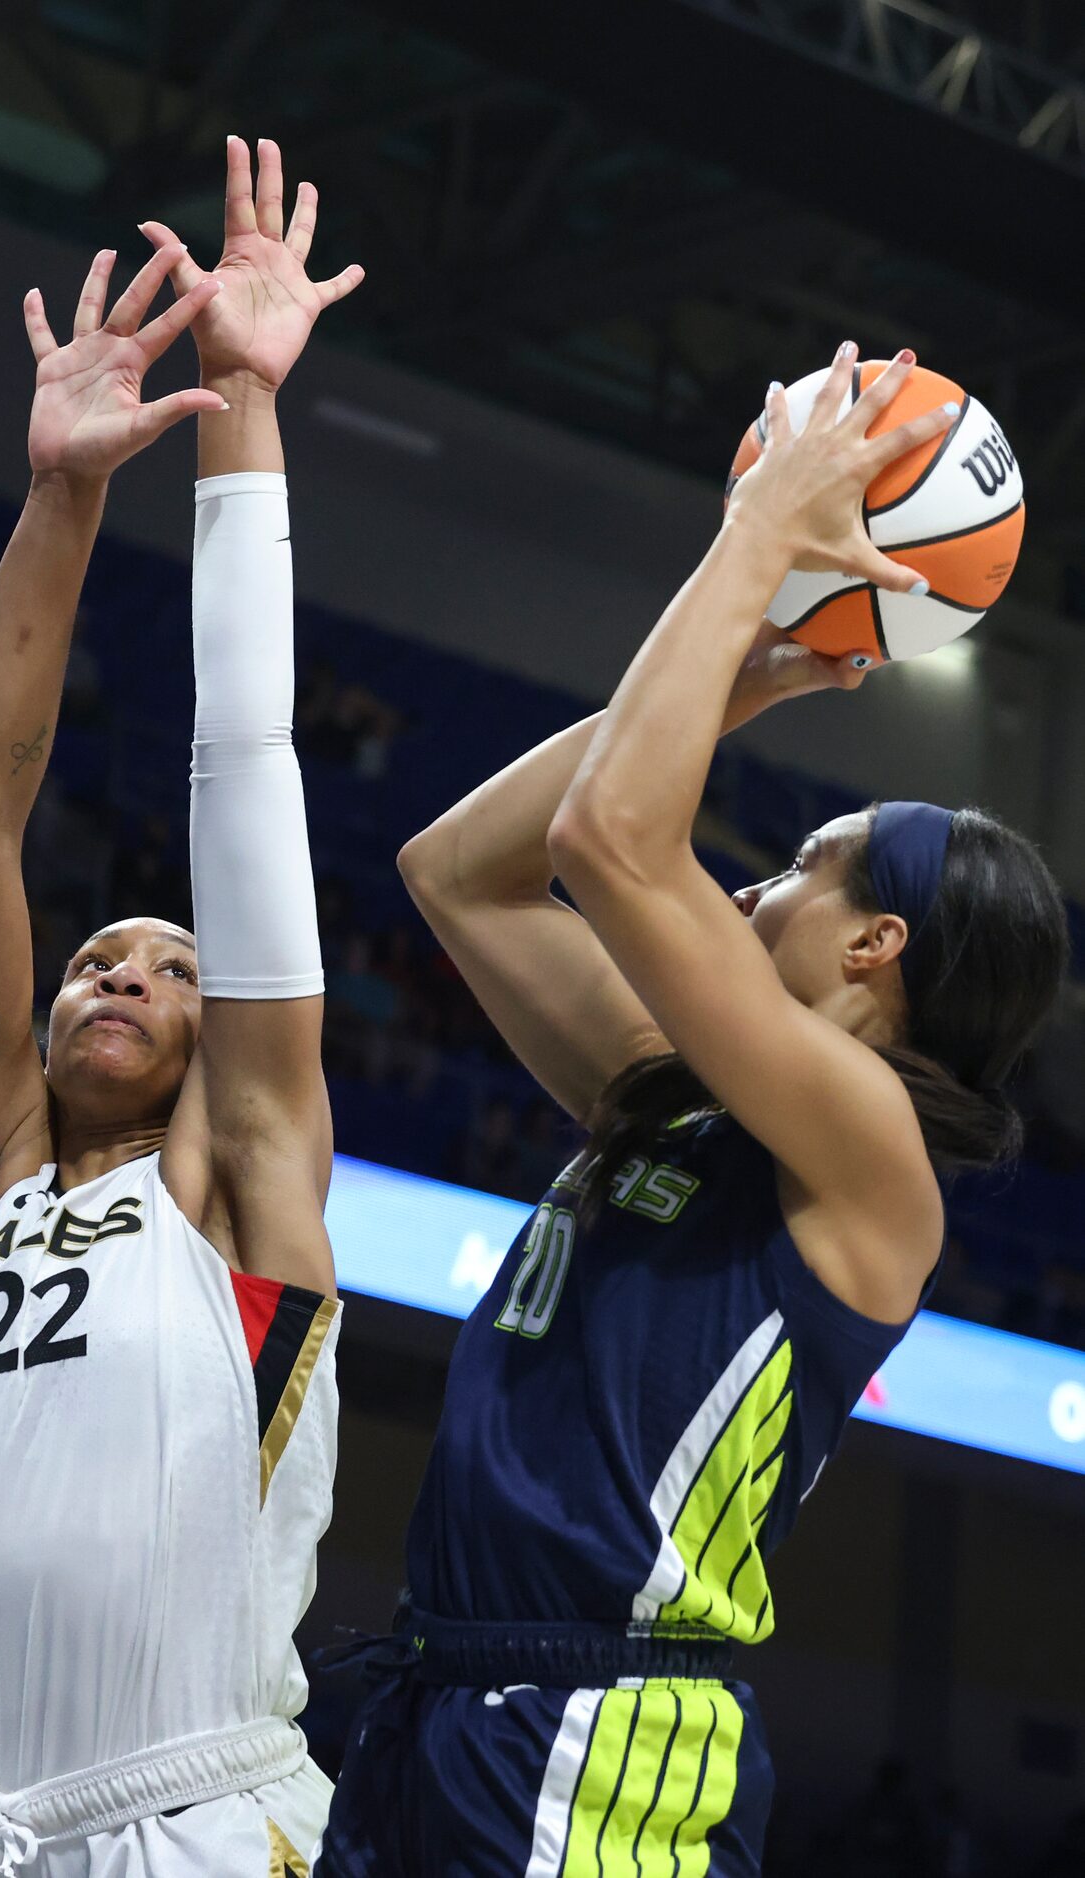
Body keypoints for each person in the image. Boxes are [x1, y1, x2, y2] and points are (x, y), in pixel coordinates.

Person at [313, 346, 1069, 1875]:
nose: (755, 878)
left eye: (804, 864)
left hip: (600, 1743)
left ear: (879, 948)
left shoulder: (876, 1159)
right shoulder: (676, 1099)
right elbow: (458, 871)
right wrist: (746, 671)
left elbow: (612, 838)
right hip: (453, 1703)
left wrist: (758, 542)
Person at [0, 138, 362, 1874]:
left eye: (181, 970)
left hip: (203, 1824)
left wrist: (238, 403)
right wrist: (62, 495)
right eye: (102, 954)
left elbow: (242, 762)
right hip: (1, 1832)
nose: (129, 972)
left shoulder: (240, 1183)